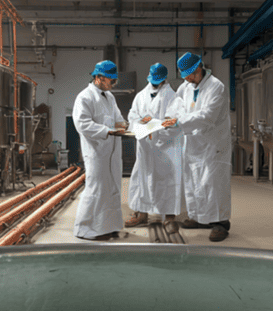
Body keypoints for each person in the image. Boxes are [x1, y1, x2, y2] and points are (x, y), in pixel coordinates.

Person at [162, 52, 232, 242]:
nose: (186, 78)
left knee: (214, 184)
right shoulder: (186, 87)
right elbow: (176, 105)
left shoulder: (216, 87)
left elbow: (208, 116)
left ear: (199, 68)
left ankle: (221, 223)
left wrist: (179, 121)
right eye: (184, 74)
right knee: (194, 182)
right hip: (193, 143)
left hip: (213, 144)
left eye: (190, 74)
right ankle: (201, 218)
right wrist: (171, 118)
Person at [72, 60, 128, 242]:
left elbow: (118, 118)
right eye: (110, 81)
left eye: (114, 81)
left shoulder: (109, 97)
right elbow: (82, 123)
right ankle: (86, 229)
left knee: (111, 189)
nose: (112, 84)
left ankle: (108, 227)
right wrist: (107, 131)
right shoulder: (85, 97)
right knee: (95, 189)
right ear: (99, 78)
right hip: (96, 151)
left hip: (112, 152)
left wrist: (124, 125)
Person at [124, 63, 183, 228]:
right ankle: (141, 213)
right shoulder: (141, 96)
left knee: (167, 180)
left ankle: (169, 216)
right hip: (145, 146)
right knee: (141, 179)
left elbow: (174, 122)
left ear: (164, 78)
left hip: (166, 147)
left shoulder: (173, 97)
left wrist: (156, 129)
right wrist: (141, 124)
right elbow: (133, 115)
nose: (155, 83)